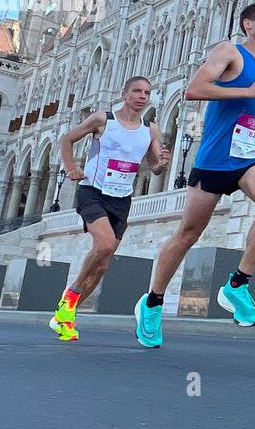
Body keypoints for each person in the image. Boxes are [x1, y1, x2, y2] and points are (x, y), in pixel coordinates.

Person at [134, 0, 255, 348]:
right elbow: (195, 89)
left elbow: (253, 108)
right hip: (215, 158)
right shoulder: (230, 52)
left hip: (252, 156)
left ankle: (237, 285)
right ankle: (152, 302)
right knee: (188, 234)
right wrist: (249, 90)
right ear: (247, 24)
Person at [51, 76, 170, 341]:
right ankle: (69, 297)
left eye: (147, 92)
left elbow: (153, 166)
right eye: (137, 91)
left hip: (122, 198)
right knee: (104, 244)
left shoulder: (151, 129)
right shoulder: (102, 120)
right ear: (124, 93)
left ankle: (65, 316)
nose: (142, 96)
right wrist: (71, 168)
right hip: (93, 192)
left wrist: (162, 163)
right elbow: (67, 140)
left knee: (103, 266)